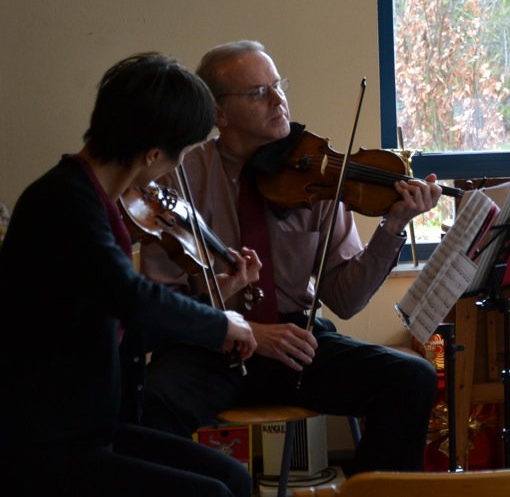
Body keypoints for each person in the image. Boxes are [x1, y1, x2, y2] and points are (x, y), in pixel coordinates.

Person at [140, 40, 442, 474]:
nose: (278, 99)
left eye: (278, 84)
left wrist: (392, 226)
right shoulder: (179, 177)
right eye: (258, 93)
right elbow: (160, 305)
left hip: (297, 344)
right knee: (151, 399)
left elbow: (345, 299)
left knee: (411, 378)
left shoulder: (315, 174)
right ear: (219, 115)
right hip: (210, 347)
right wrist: (248, 330)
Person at [0, 53, 257, 497]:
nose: (176, 170)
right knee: (211, 493)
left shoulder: (93, 202)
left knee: (233, 478)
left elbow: (125, 326)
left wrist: (214, 304)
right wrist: (219, 323)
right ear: (153, 153)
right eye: (183, 153)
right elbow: (131, 295)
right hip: (47, 442)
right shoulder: (62, 202)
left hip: (95, 428)